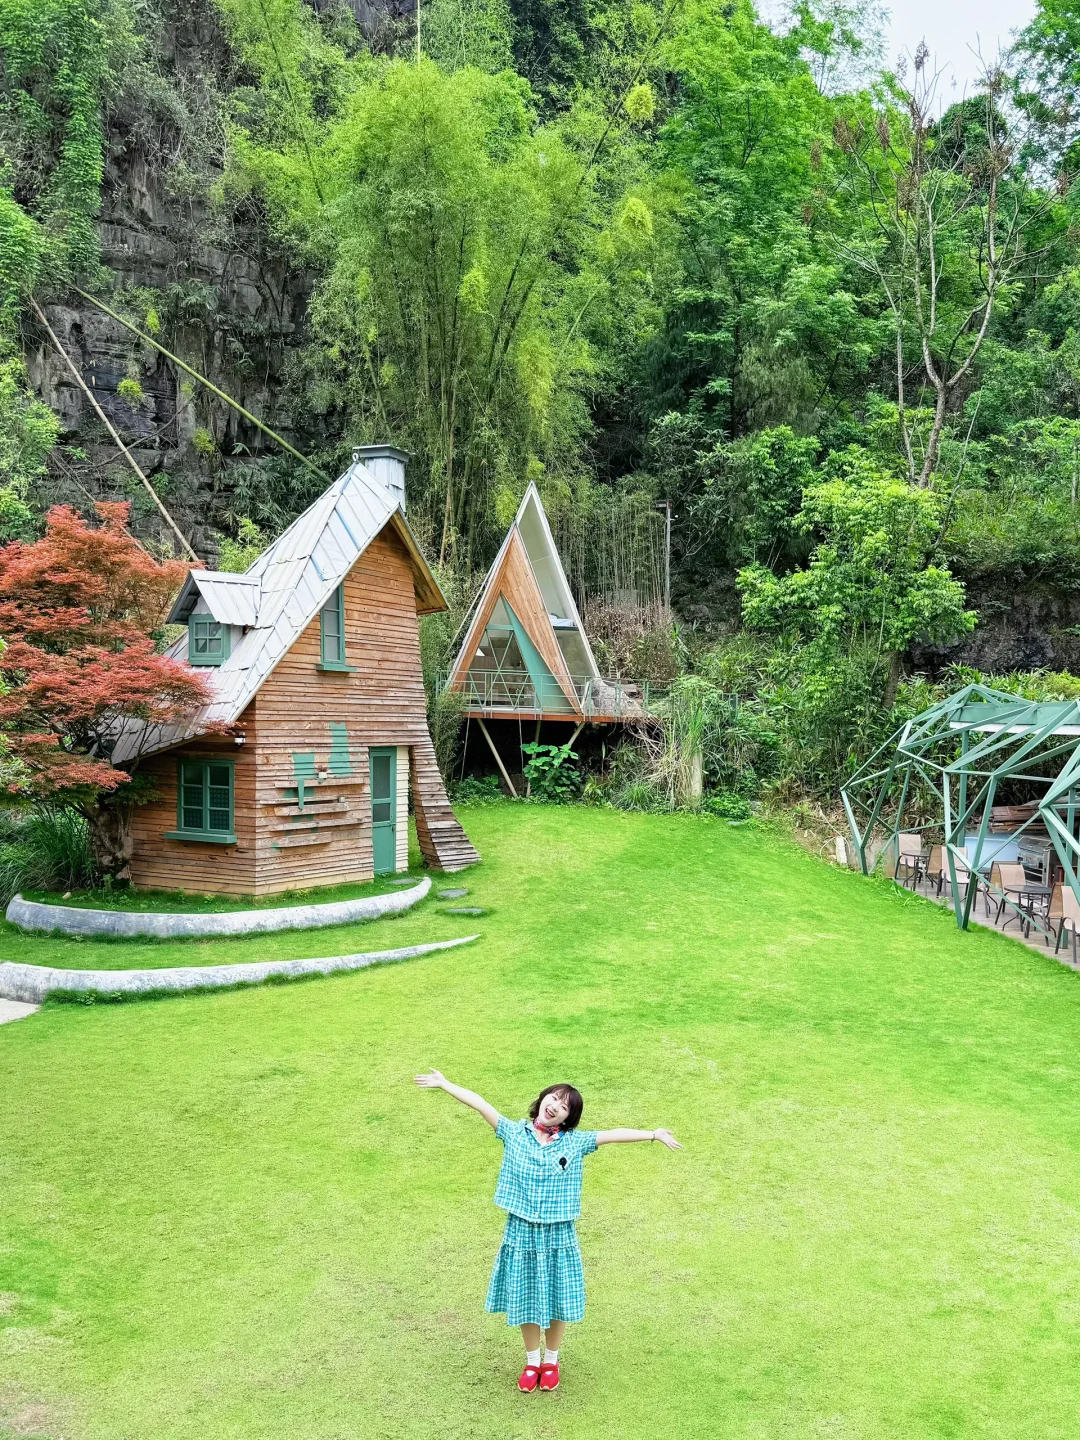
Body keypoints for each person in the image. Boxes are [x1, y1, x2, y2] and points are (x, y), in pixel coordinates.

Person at [414, 1068, 682, 1392]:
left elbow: (612, 1134)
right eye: (553, 1098)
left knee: (558, 1297)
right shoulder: (514, 1133)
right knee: (525, 1296)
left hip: (558, 1234)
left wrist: (653, 1134)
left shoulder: (576, 1142)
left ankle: (551, 1361)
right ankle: (532, 1362)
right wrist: (445, 1084)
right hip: (521, 1232)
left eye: (564, 1106)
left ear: (568, 1118)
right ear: (542, 1099)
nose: (555, 1106)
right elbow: (480, 1104)